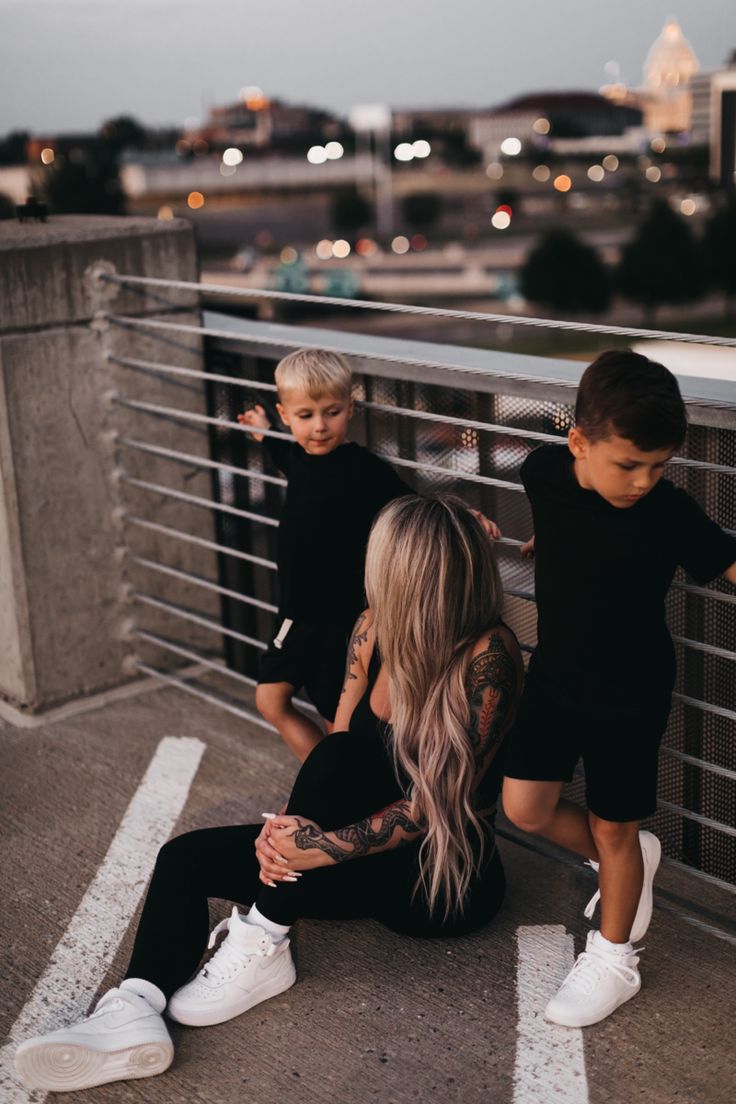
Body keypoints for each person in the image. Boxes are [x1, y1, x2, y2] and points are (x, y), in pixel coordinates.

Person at [15, 494, 523, 1094]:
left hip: (442, 880)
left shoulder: (488, 657)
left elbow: (434, 806)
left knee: (328, 780)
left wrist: (324, 847)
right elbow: (340, 756)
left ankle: (264, 936)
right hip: (364, 853)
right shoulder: (372, 628)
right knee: (184, 858)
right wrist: (288, 832)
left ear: (412, 576)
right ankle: (133, 1011)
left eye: (380, 560)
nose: (370, 569)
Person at [502, 349, 736, 1029]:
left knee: (614, 826)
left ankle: (614, 956)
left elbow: (726, 561)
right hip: (553, 678)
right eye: (628, 465)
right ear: (578, 442)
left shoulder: (670, 512)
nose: (643, 481)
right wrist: (551, 541)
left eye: (659, 466)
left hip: (629, 691)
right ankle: (635, 858)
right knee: (524, 807)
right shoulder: (543, 470)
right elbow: (568, 516)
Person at [237, 347, 411, 760]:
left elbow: (411, 506)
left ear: (351, 408)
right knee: (270, 700)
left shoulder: (365, 470)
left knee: (341, 727)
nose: (319, 427)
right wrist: (261, 431)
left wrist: (467, 516)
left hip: (343, 625)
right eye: (305, 416)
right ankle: (325, 780)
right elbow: (283, 454)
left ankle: (337, 795)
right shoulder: (298, 456)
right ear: (286, 415)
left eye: (331, 412)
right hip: (295, 619)